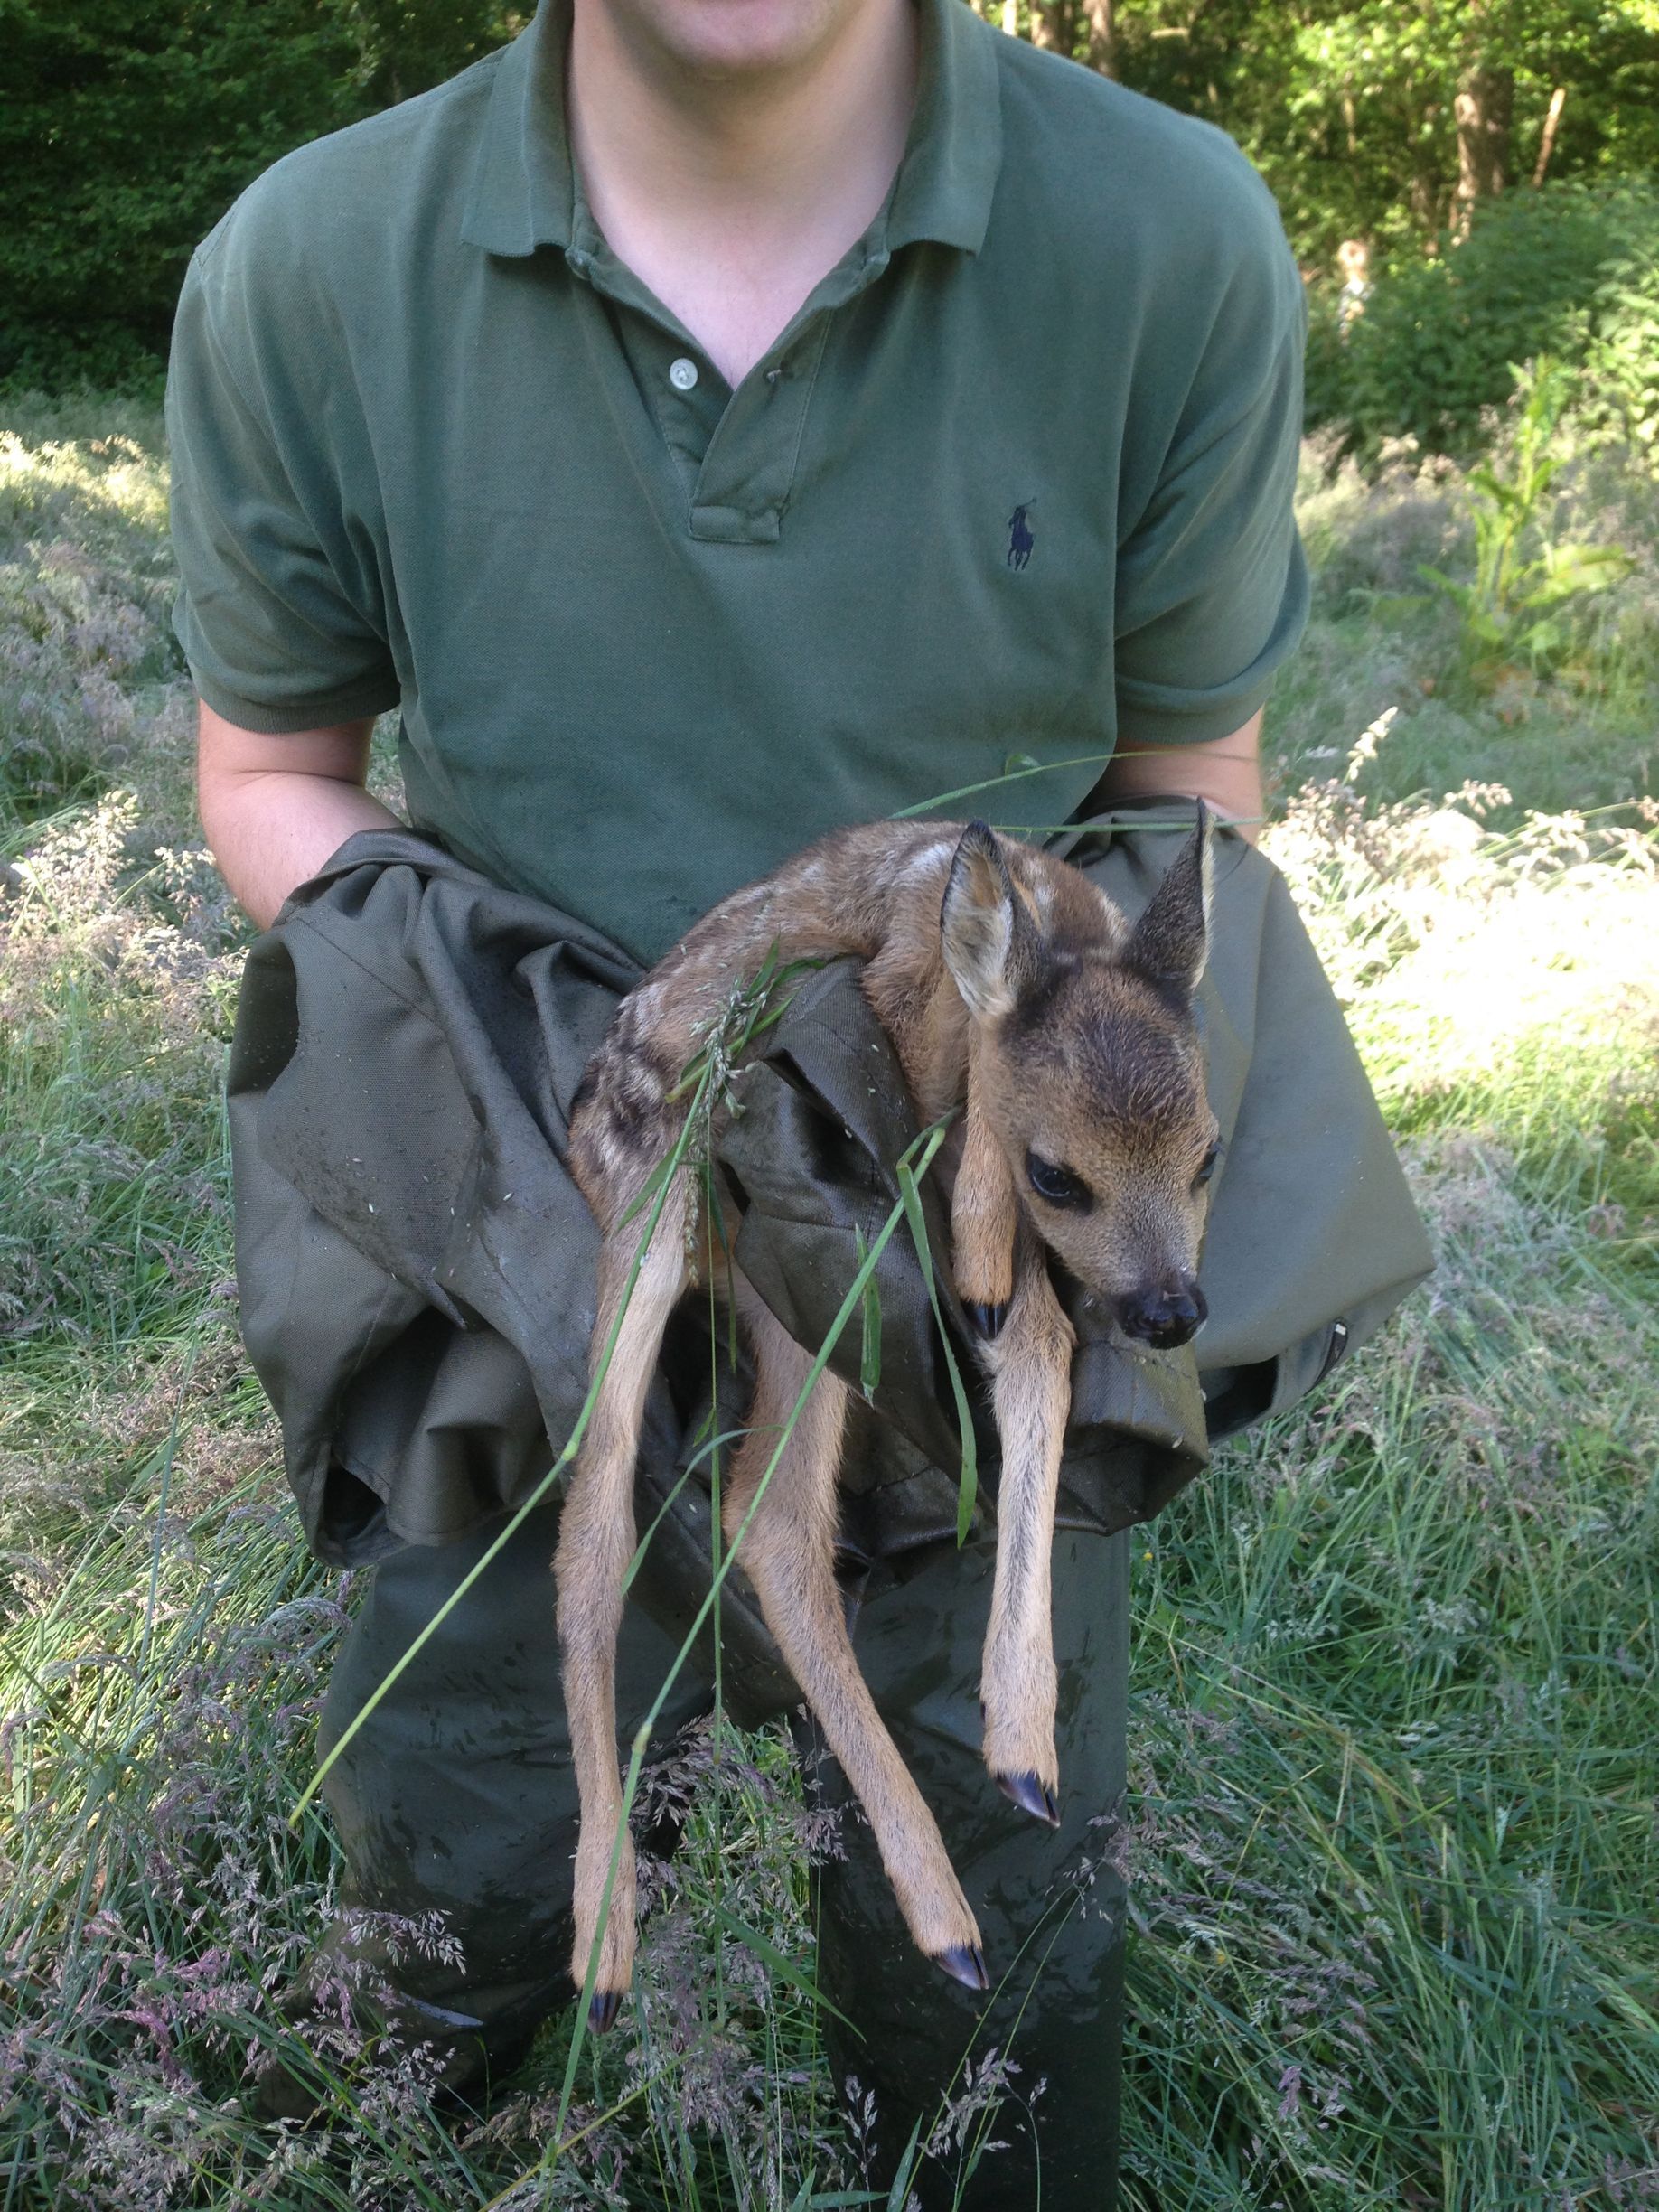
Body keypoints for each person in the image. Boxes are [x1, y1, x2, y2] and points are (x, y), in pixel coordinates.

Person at [166, 0, 1320, 2197]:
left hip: (956, 1302)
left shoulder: (1166, 239)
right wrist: (562, 1086)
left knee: (990, 2025)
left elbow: (1188, 811)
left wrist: (987, 1158)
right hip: (531, 1242)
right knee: (447, 1934)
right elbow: (272, 771)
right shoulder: (318, 265)